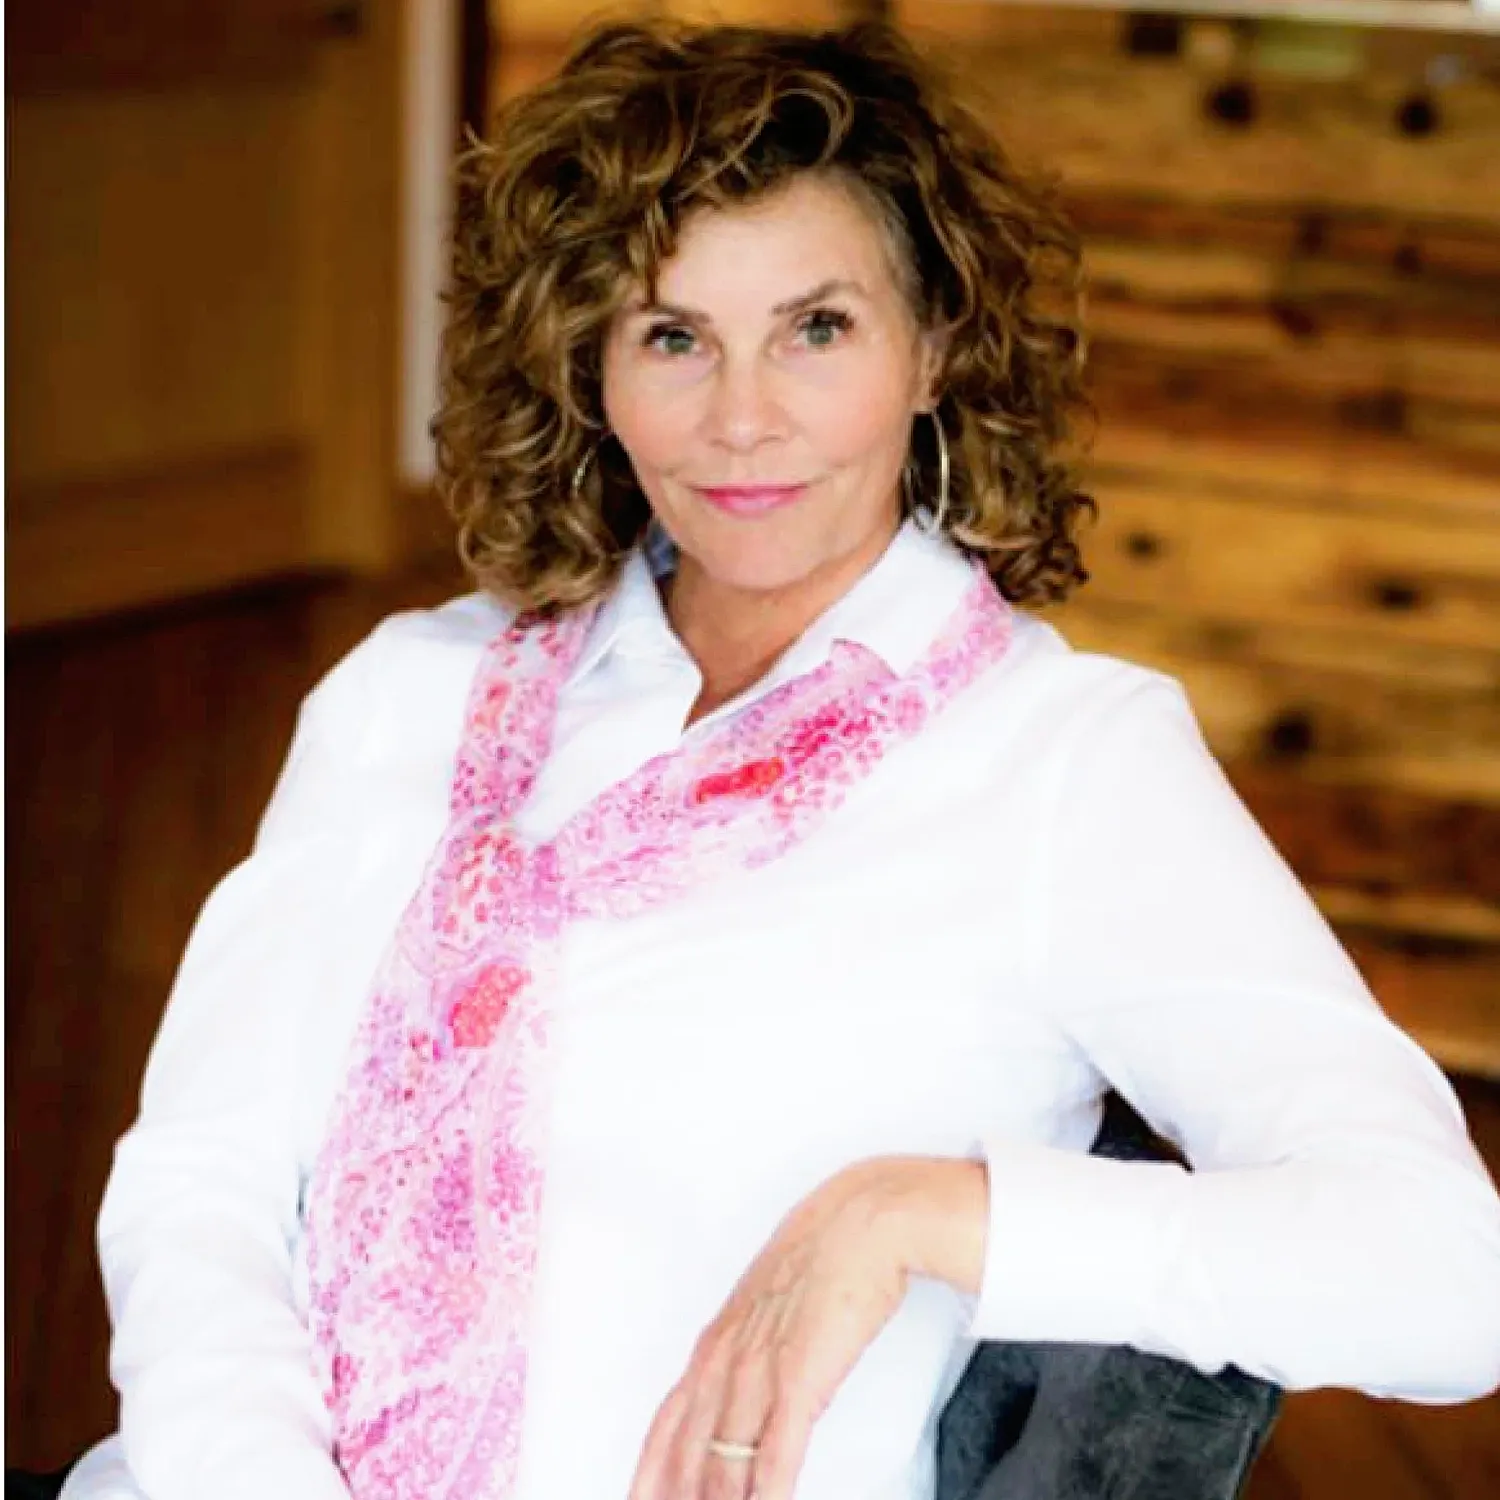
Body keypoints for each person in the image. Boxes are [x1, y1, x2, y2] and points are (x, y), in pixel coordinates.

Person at [59, 17, 1500, 1500]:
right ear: (592, 371)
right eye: (674, 336)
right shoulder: (405, 697)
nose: (743, 420)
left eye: (818, 328)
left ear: (936, 346)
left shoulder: (1063, 764)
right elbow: (201, 1184)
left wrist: (918, 1216)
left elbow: (1449, 1277)